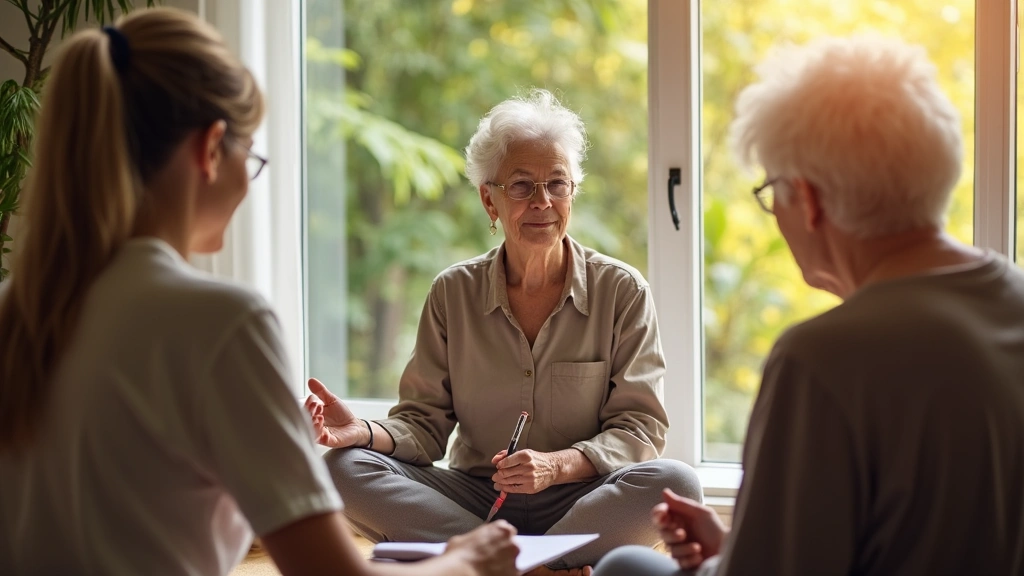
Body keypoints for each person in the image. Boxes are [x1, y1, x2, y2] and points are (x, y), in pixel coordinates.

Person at [0, 8, 519, 576]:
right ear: (210, 149)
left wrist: (267, 445)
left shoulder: (14, 309)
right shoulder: (221, 321)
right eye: (250, 157)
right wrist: (465, 561)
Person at [591, 35, 1024, 576]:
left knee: (626, 566)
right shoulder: (1014, 297)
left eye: (772, 191)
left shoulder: (823, 359)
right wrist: (734, 548)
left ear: (809, 198)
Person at [305, 89, 702, 575]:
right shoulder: (452, 292)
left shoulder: (621, 290)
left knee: (677, 483)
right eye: (521, 186)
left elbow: (639, 429)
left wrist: (556, 466)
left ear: (572, 193)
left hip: (579, 500)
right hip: (475, 502)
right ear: (488, 199)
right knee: (341, 469)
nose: (543, 201)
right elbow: (423, 427)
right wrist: (363, 431)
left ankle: (491, 565)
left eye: (557, 184)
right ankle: (536, 569)